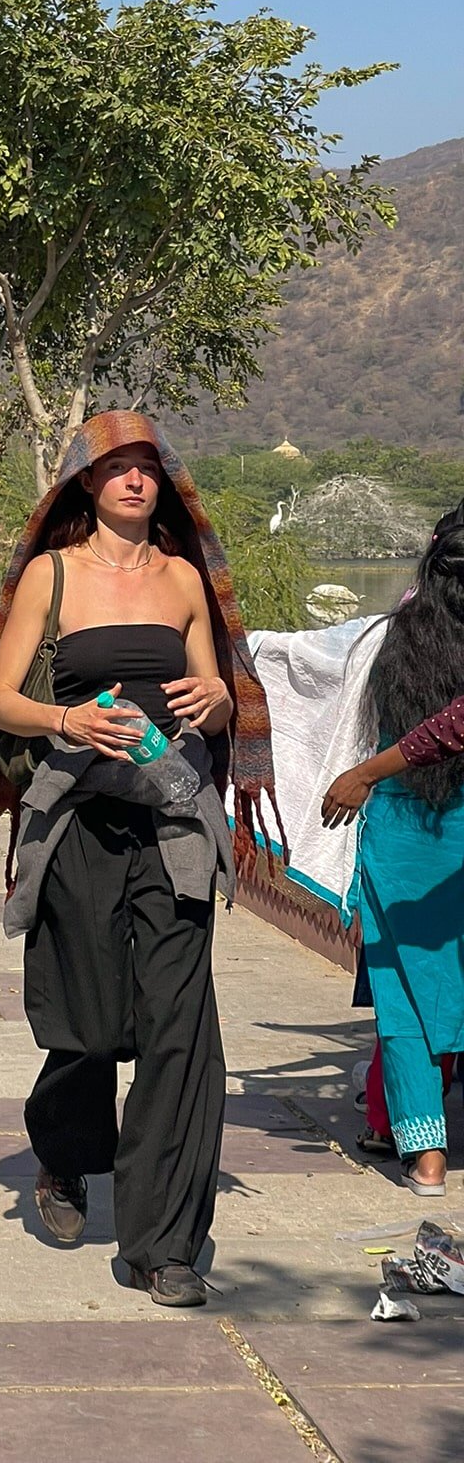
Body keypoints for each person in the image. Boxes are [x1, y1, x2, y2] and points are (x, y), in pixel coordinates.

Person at [0, 412, 273, 1307]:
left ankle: (162, 1247)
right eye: (116, 467)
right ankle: (64, 1150)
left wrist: (215, 698)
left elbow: (214, 692)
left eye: (147, 468)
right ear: (85, 483)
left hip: (174, 824)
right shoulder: (53, 575)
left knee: (179, 1033)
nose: (134, 480)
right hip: (78, 824)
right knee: (89, 1029)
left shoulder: (182, 579)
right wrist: (68, 718)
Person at [317, 506, 464, 1194]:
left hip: (402, 834)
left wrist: (367, 774)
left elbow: (304, 670)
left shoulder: (387, 639)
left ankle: (426, 1158)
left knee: (406, 998)